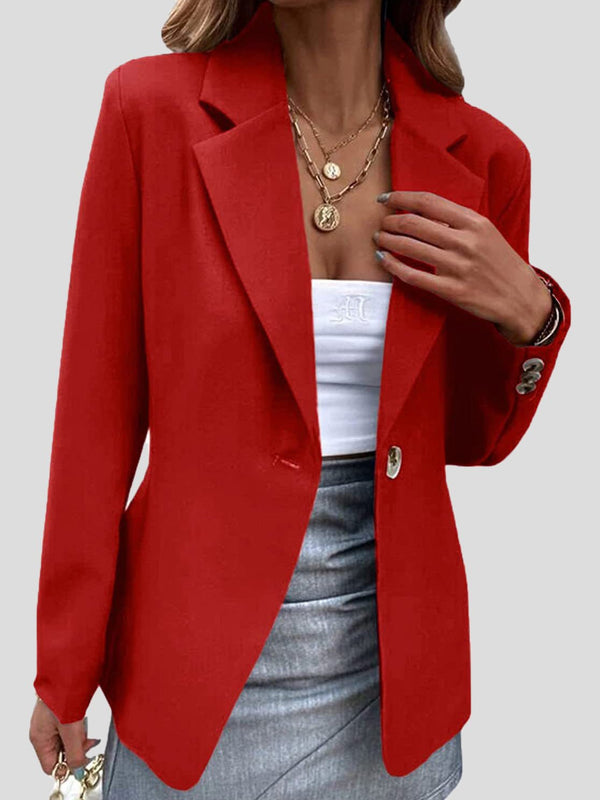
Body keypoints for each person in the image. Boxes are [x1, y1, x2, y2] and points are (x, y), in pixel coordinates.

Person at [29, 0, 571, 797]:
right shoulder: (148, 111)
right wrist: (65, 663)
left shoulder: (488, 157)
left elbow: (472, 439)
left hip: (392, 688)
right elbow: (94, 422)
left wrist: (532, 315)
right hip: (190, 668)